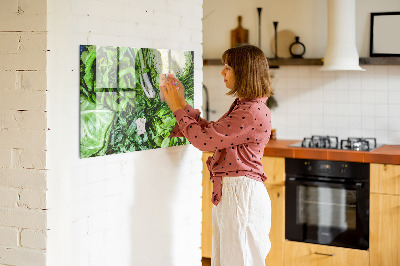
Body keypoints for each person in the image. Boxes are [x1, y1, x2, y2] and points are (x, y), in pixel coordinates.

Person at [161, 44, 273, 266]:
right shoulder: (246, 106)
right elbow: (212, 133)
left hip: (241, 195)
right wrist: (182, 104)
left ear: (244, 72)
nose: (222, 72)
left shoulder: (250, 111)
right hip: (236, 193)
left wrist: (176, 107)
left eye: (228, 67)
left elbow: (204, 141)